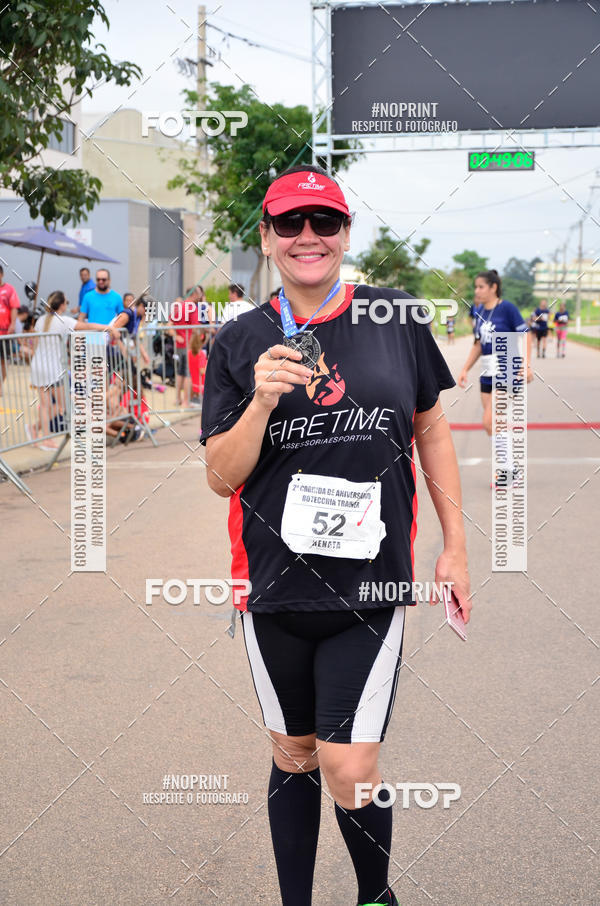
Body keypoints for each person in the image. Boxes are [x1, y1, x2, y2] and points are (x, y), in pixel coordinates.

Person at [201, 164, 471, 906]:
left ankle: (375, 896)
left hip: (369, 587)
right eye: (290, 223)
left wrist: (456, 545)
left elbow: (432, 428)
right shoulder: (240, 340)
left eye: (325, 222)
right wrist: (258, 402)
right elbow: (221, 477)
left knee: (348, 766)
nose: (308, 237)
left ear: (346, 233)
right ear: (268, 237)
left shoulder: (395, 319)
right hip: (273, 590)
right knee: (293, 755)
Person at [458, 270, 533, 485]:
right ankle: (509, 470)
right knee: (493, 425)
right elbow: (478, 344)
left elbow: (525, 334)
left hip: (508, 369)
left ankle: (509, 472)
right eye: (476, 287)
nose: (477, 291)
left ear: (493, 287)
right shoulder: (480, 311)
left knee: (490, 420)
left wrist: (526, 364)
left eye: (481, 286)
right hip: (487, 373)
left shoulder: (506, 308)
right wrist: (465, 368)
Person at [28, 291, 118, 450]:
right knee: (62, 405)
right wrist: (108, 328)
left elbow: (34, 343)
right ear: (62, 304)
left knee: (46, 404)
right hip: (52, 367)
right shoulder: (64, 320)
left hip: (38, 365)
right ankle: (41, 433)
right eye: (66, 302)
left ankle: (38, 431)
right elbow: (88, 326)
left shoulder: (41, 319)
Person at [0, 265, 21, 394]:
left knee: (3, 361)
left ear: (1, 275)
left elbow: (14, 307)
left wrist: (13, 324)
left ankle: (0, 385)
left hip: (4, 331)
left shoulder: (9, 290)